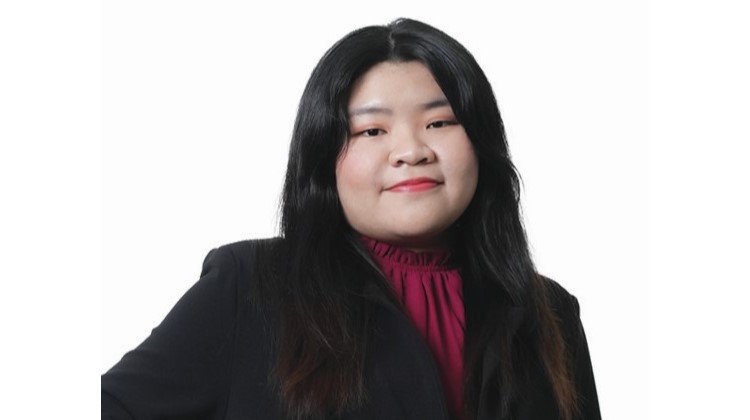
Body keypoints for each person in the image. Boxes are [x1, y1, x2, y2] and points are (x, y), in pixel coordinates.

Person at [101, 18, 601, 420]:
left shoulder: (548, 314)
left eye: (439, 122)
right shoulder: (249, 288)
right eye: (371, 131)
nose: (410, 150)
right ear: (325, 161)